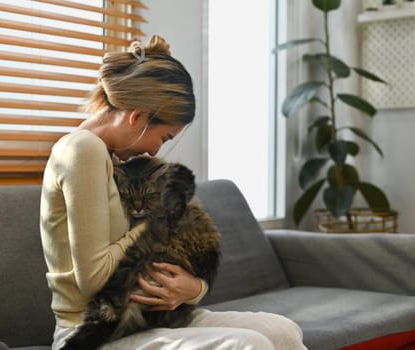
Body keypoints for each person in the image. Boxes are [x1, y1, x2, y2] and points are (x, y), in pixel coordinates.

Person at [39, 34, 307, 350]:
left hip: (151, 320)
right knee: (248, 345)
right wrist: (155, 225)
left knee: (284, 331)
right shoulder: (82, 150)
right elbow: (95, 278)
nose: (157, 149)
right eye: (164, 138)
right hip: (93, 332)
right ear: (137, 116)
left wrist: (192, 289)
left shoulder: (116, 159)